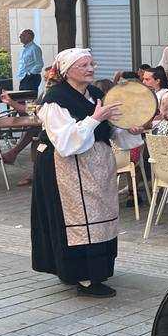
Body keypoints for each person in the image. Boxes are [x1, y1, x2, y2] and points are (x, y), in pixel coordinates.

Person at [31, 49, 144, 298]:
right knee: (78, 219)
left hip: (97, 164)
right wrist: (94, 119)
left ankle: (97, 271)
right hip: (67, 167)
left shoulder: (95, 94)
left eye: (91, 63)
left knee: (100, 214)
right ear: (67, 71)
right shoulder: (54, 101)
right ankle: (81, 275)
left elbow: (112, 130)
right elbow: (65, 141)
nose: (90, 68)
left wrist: (132, 129)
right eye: (83, 65)